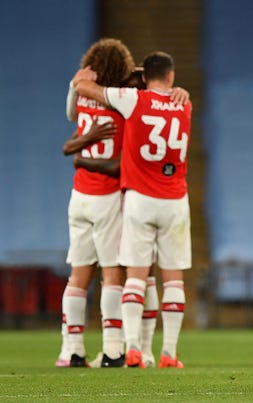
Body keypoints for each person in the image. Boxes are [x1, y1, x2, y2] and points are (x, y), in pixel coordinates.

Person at [73, 51, 192, 369]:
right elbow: (166, 88)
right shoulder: (184, 103)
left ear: (144, 75)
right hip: (175, 201)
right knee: (173, 280)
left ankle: (134, 349)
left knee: (136, 278)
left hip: (139, 199)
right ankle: (168, 353)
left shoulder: (131, 99)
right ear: (170, 77)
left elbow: (88, 91)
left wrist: (84, 80)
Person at [57, 38, 135, 368]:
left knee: (78, 275)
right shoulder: (124, 104)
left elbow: (69, 111)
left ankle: (70, 349)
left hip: (79, 197)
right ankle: (113, 349)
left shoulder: (83, 101)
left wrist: (77, 82)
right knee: (112, 274)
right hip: (107, 197)